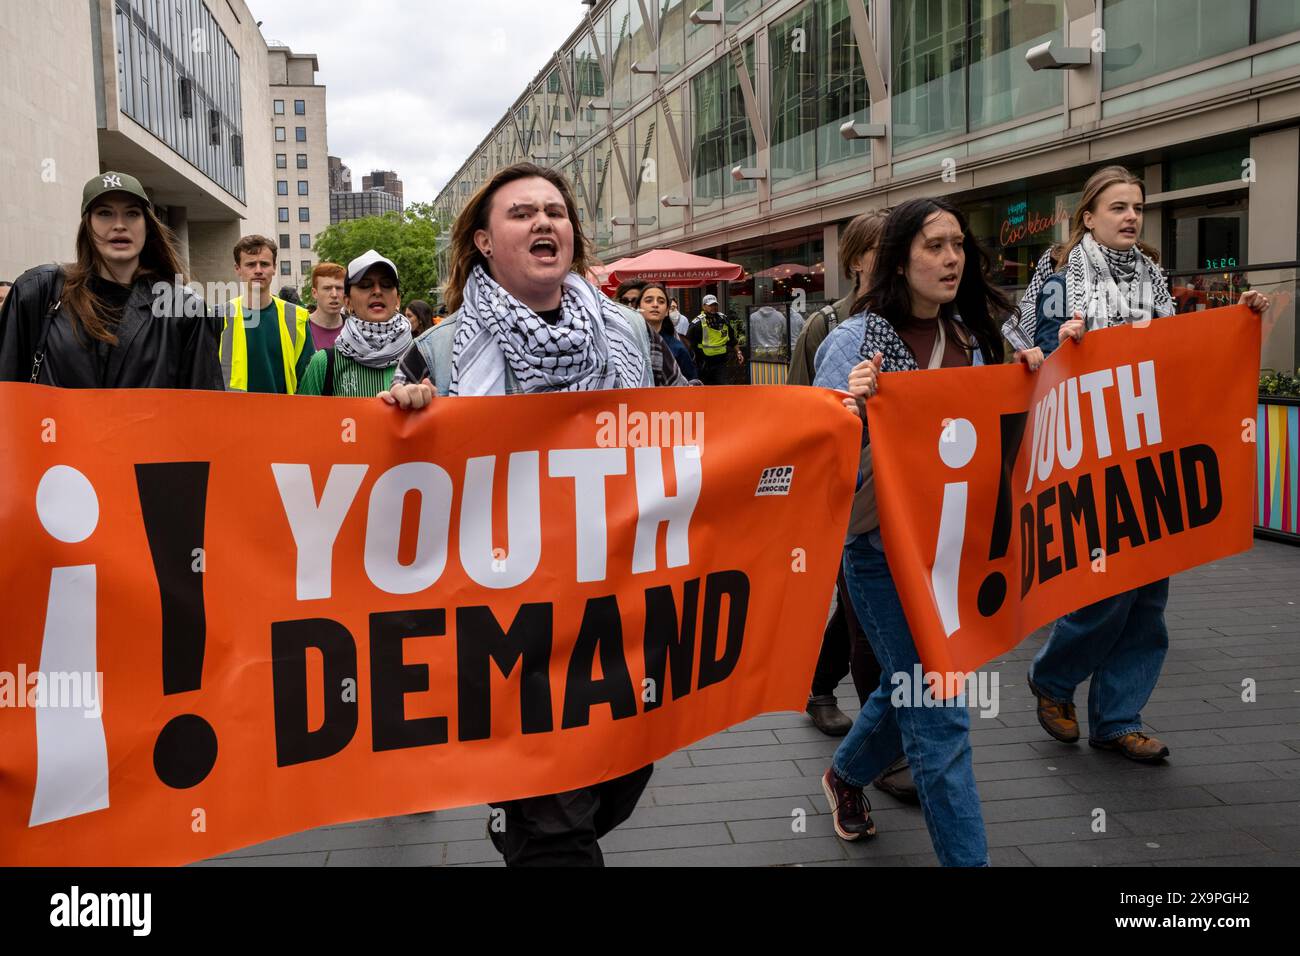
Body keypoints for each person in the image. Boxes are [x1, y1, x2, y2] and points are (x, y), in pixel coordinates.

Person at [380, 162, 656, 867]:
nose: (543, 222)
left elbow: (692, 442)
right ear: (482, 240)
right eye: (522, 212)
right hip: (504, 626)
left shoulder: (628, 333)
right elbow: (388, 498)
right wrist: (402, 425)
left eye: (555, 212)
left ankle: (526, 820)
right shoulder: (437, 352)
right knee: (558, 829)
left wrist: (820, 418)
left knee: (617, 783)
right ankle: (531, 822)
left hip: (608, 613)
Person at [814, 197, 1043, 866]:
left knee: (909, 683)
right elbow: (815, 454)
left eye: (958, 247)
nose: (950, 259)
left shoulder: (978, 338)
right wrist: (846, 408)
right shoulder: (853, 340)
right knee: (941, 712)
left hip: (954, 553)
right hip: (880, 556)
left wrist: (1032, 381)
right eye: (934, 246)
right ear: (900, 259)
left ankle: (847, 773)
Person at [1026, 166, 1270, 763]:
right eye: (1117, 207)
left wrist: (1238, 316)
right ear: (1088, 216)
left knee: (1148, 597)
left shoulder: (1154, 277)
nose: (1132, 216)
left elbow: (1180, 349)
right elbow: (1036, 359)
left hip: (1149, 449)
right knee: (1104, 592)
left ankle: (1117, 717)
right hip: (1089, 455)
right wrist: (1067, 343)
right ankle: (1054, 680)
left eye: (1137, 206)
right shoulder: (1060, 278)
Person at [796, 208, 912, 799]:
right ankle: (882, 759)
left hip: (911, 509)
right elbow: (803, 409)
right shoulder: (830, 327)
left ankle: (818, 684)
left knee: (856, 614)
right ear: (858, 260)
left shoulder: (923, 321)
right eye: (883, 249)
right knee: (866, 622)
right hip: (854, 502)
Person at [0, 171, 221, 389]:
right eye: (105, 213)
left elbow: (204, 409)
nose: (119, 225)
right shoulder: (40, 290)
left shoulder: (183, 308)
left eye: (132, 213)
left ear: (147, 225)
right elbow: (7, 388)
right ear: (87, 225)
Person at [790, 209, 889, 386]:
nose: (894, 257)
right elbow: (797, 401)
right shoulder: (825, 324)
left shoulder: (915, 319)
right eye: (883, 249)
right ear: (856, 262)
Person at [298, 250, 413, 398]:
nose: (377, 291)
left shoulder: (424, 355)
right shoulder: (324, 364)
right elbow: (304, 418)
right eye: (365, 285)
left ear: (398, 299)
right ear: (348, 301)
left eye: (386, 284)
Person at [221, 235, 315, 394]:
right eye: (250, 264)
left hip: (283, 416)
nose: (258, 270)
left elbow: (307, 380)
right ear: (238, 269)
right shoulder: (218, 317)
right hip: (231, 415)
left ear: (274, 268)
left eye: (264, 264)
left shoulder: (296, 318)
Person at [637, 281, 696, 385]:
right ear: (638, 307)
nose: (655, 305)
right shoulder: (629, 342)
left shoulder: (678, 348)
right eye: (648, 300)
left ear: (667, 311)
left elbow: (691, 383)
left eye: (661, 301)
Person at [687, 294, 743, 384]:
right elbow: (689, 344)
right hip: (703, 363)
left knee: (723, 389)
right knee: (705, 391)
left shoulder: (723, 319)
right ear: (704, 306)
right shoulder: (697, 323)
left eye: (715, 305)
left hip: (721, 363)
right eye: (710, 305)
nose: (713, 307)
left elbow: (732, 339)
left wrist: (738, 352)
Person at [307, 262, 347, 351]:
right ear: (314, 293)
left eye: (339, 288)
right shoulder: (299, 329)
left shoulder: (355, 330)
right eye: (327, 288)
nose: (334, 294)